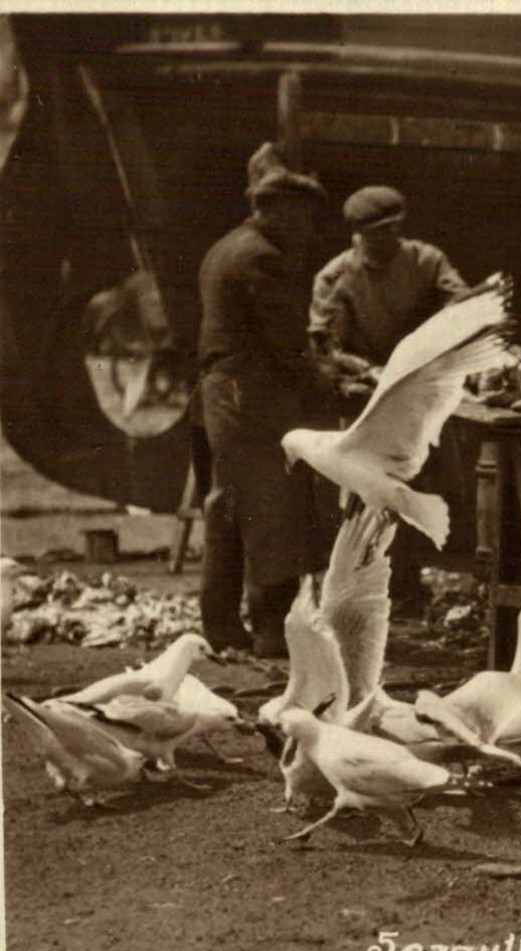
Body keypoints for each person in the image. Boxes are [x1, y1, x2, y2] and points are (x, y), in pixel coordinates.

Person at [196, 143, 337, 657]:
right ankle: (272, 630)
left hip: (222, 394)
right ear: (276, 208)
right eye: (302, 216)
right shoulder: (263, 259)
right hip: (250, 399)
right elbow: (287, 347)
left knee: (228, 508)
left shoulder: (226, 247)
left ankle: (221, 624)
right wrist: (328, 378)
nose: (307, 229)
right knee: (271, 509)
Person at [308, 185, 470, 613]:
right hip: (365, 397)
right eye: (378, 233)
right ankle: (357, 589)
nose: (387, 240)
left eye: (394, 230)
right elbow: (325, 346)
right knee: (362, 492)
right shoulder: (335, 276)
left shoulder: (426, 260)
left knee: (417, 486)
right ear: (358, 233)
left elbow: (463, 304)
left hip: (418, 388)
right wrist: (367, 372)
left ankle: (407, 586)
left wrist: (432, 344)